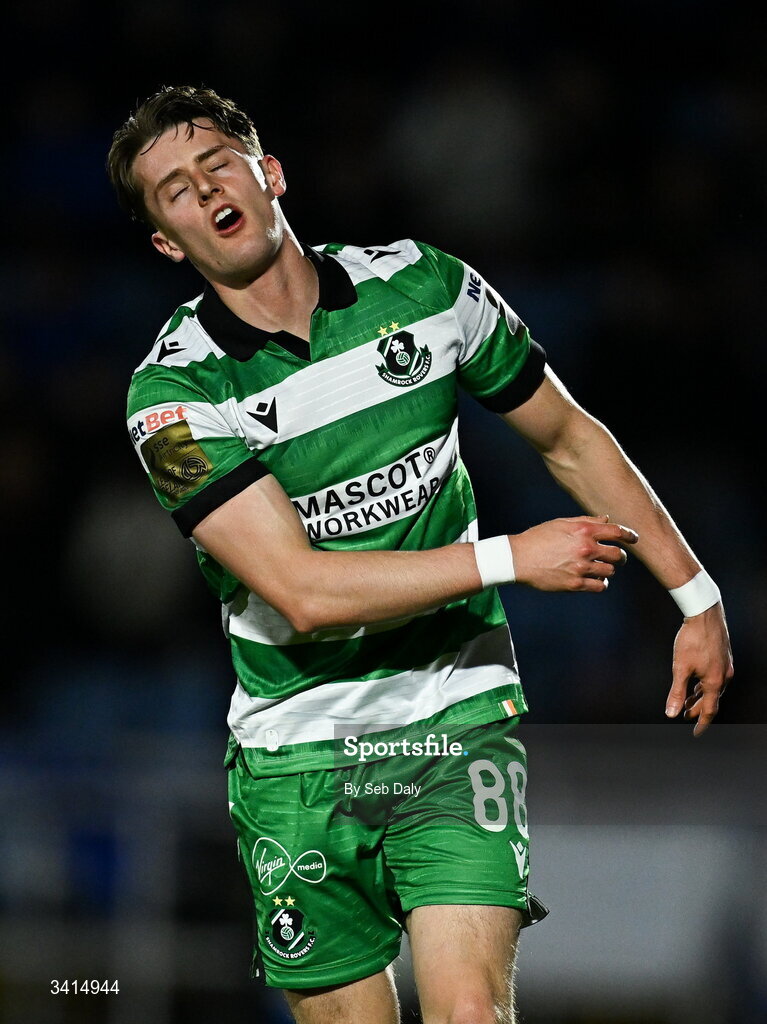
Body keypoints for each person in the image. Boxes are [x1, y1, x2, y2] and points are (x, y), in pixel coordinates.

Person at [107, 85, 733, 1024]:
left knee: (468, 1013)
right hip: (298, 749)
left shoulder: (426, 286)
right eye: (175, 192)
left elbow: (566, 435)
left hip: (453, 712)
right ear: (167, 242)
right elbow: (302, 592)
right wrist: (509, 559)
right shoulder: (171, 401)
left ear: (268, 173)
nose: (205, 191)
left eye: (217, 164)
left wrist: (696, 596)